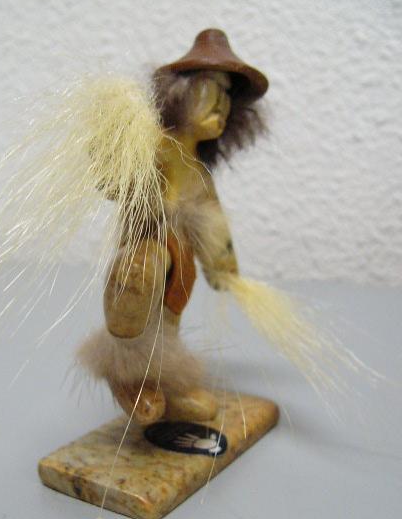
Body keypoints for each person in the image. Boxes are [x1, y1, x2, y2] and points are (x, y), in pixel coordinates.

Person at [79, 29, 268, 424]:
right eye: (211, 91)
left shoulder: (198, 173)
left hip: (181, 269)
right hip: (146, 250)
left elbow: (213, 222)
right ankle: (126, 373)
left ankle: (163, 385)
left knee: (167, 326)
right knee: (138, 279)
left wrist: (223, 267)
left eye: (227, 98)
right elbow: (113, 180)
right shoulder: (152, 146)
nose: (221, 107)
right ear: (179, 93)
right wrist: (110, 139)